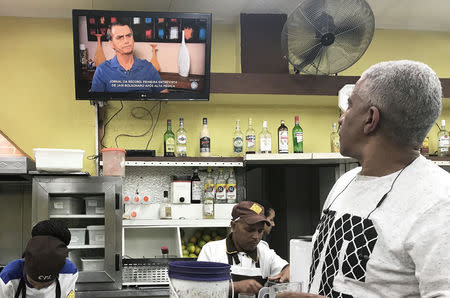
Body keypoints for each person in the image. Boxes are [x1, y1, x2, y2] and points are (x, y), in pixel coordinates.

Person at [278, 60, 450, 298]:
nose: (341, 118)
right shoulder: (345, 182)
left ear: (370, 119)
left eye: (349, 106)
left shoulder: (440, 202)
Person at [197, 201, 290, 296]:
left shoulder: (264, 251)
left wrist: (288, 270)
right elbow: (199, 289)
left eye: (260, 231)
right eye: (250, 230)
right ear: (233, 226)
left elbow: (285, 269)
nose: (256, 236)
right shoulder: (211, 251)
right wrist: (235, 287)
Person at [90, 22, 169, 93]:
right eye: (120, 37)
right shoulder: (102, 70)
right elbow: (96, 103)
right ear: (111, 44)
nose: (126, 41)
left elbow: (164, 95)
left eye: (128, 36)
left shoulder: (148, 67)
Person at [0, 235, 78, 298]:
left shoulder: (69, 273)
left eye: (46, 285)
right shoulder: (8, 278)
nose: (38, 288)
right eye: (32, 282)